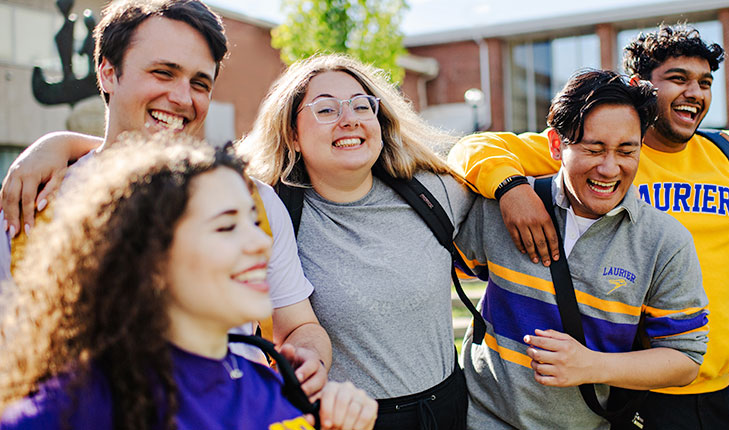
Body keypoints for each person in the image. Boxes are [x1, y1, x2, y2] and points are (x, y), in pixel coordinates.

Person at [447, 24, 729, 427]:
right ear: (642, 86)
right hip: (631, 382)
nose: (695, 93)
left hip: (711, 380)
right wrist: (511, 189)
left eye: (705, 82)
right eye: (678, 79)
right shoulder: (607, 145)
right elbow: (475, 147)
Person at [0, 0, 331, 394]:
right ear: (108, 72)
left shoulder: (253, 202)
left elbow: (296, 324)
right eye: (163, 72)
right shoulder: (31, 203)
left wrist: (309, 357)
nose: (181, 97)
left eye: (199, 83)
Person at [0, 136, 377, 430]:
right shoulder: (66, 412)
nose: (261, 242)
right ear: (150, 259)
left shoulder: (270, 390)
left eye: (254, 221)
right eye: (227, 226)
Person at [454, 68, 708, 429]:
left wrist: (590, 365)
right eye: (593, 149)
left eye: (626, 151)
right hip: (480, 420)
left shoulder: (665, 242)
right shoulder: (503, 207)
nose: (609, 168)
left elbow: (686, 361)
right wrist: (509, 189)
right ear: (557, 145)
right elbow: (433, 271)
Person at [235, 53, 474, 429]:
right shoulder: (271, 216)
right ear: (292, 136)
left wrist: (509, 185)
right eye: (326, 110)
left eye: (362, 106)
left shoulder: (436, 194)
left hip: (449, 411)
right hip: (346, 421)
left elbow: (528, 160)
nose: (350, 119)